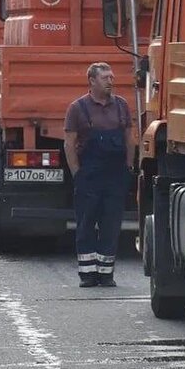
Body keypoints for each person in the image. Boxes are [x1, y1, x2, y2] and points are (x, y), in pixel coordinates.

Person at [63, 62, 134, 288]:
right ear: (92, 81)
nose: (110, 81)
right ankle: (87, 274)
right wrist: (78, 174)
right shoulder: (78, 108)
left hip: (115, 174)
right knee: (86, 223)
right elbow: (69, 144)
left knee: (111, 224)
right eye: (105, 78)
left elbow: (129, 139)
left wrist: (129, 167)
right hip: (90, 175)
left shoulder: (121, 106)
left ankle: (106, 273)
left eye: (112, 77)